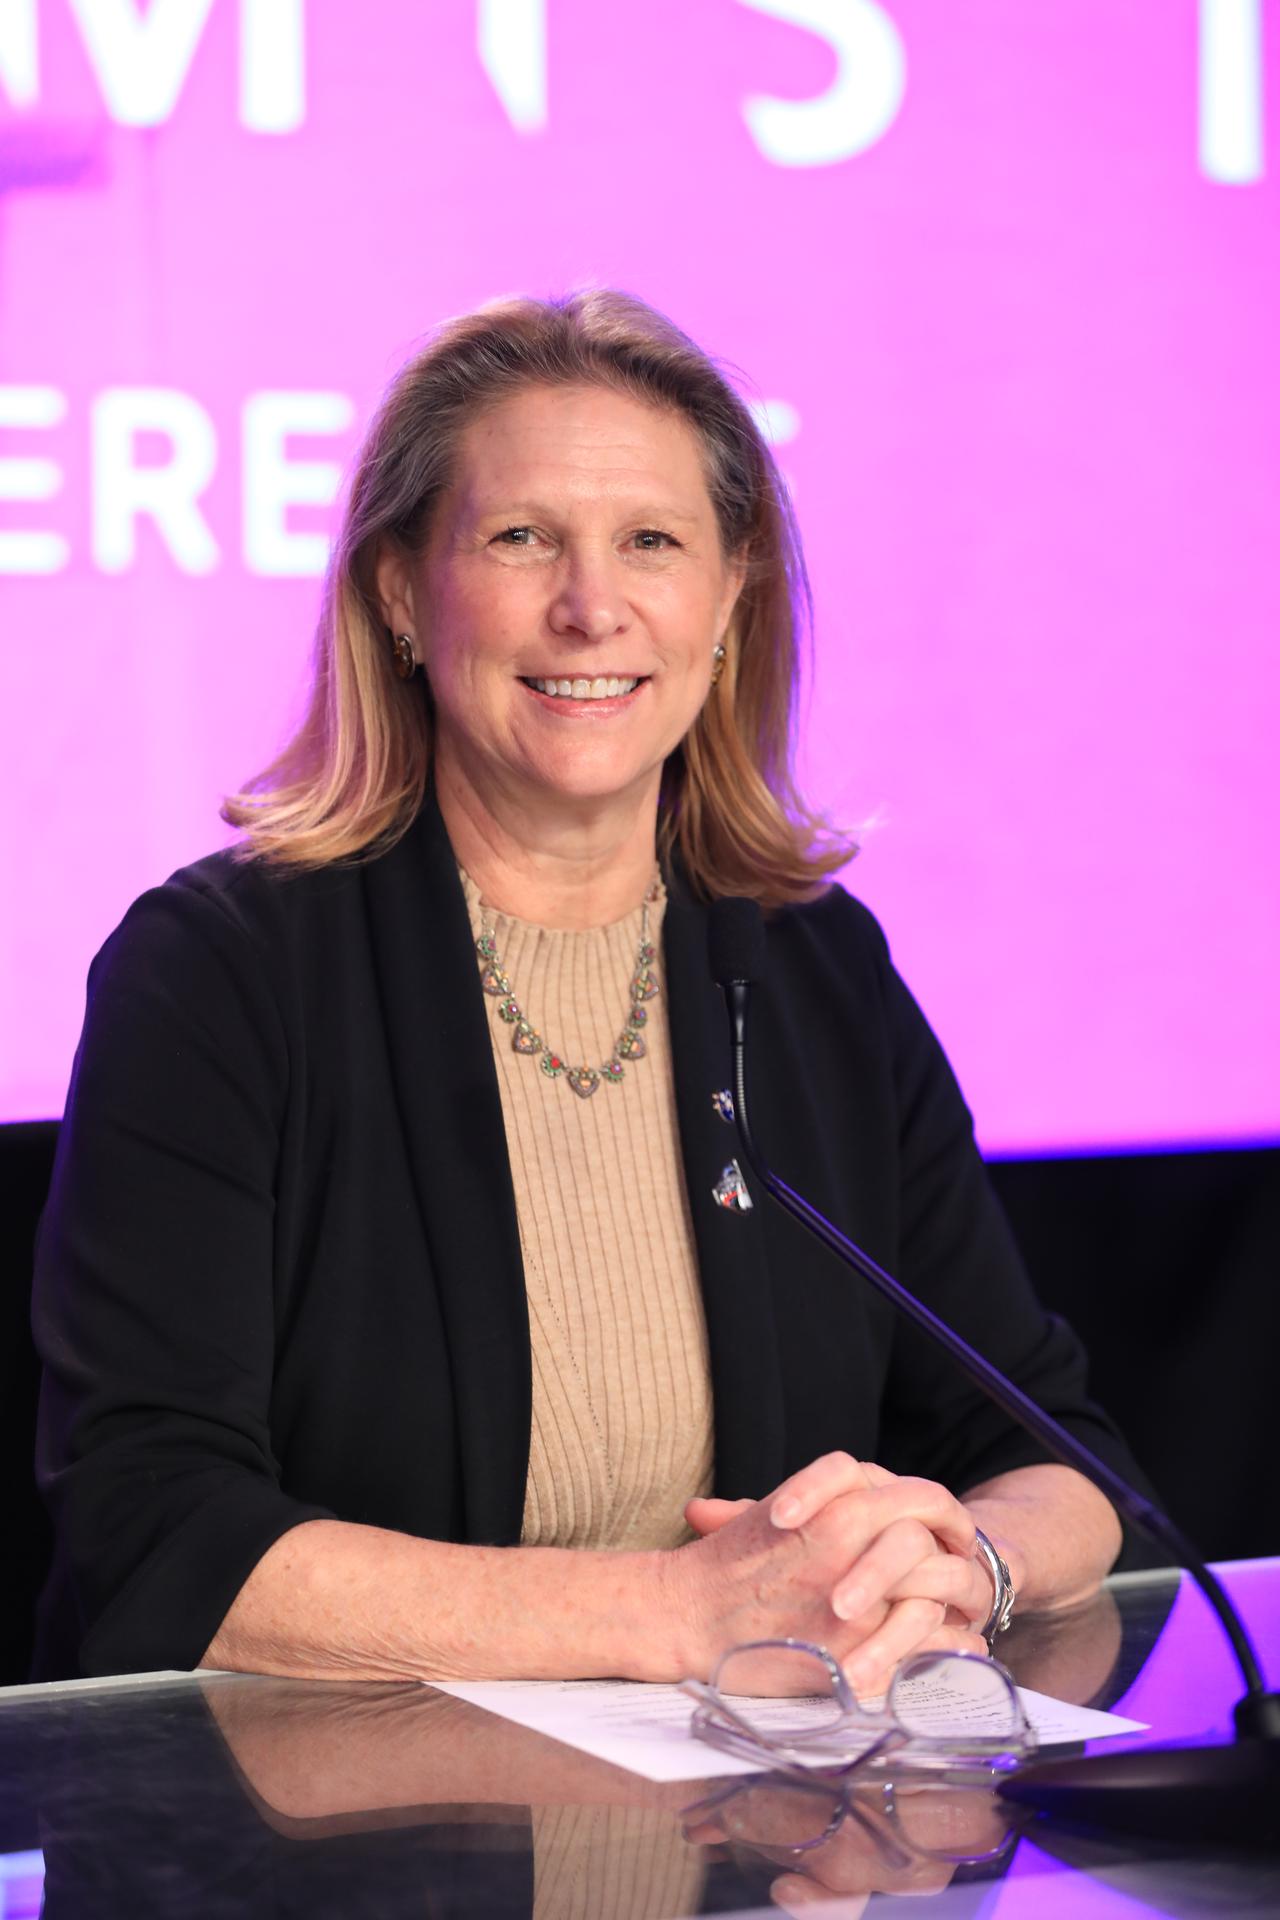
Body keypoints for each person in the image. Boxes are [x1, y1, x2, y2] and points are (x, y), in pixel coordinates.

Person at [33, 289, 1134, 1689]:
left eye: (653, 544)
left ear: (729, 601)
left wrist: (963, 1563)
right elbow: (158, 1530)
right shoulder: (223, 973)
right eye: (519, 540)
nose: (590, 605)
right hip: (341, 1864)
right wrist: (676, 1617)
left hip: (760, 1866)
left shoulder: (810, 968)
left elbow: (1057, 1455)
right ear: (397, 594)